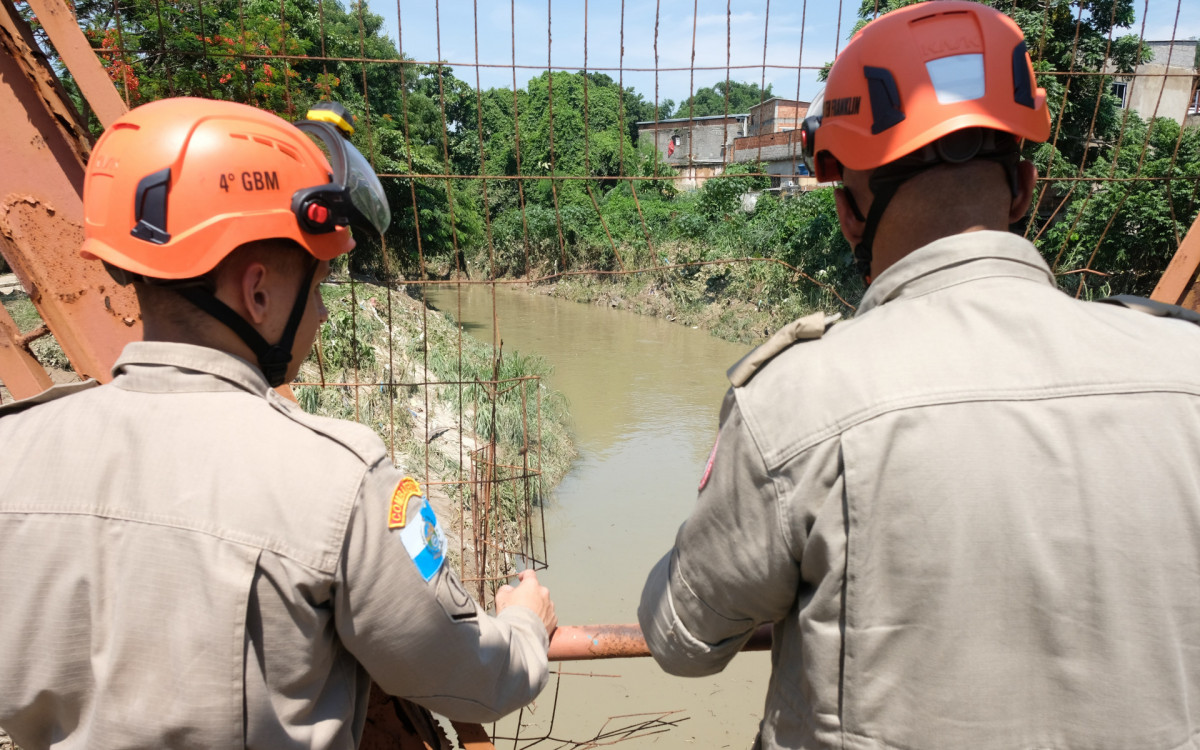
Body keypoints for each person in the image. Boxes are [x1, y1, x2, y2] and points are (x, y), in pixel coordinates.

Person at [639, 2, 1200, 748]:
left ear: (846, 211)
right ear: (1026, 188)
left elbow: (681, 639)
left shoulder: (800, 404)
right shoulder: (1184, 368)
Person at [0, 97, 556, 749]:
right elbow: (470, 677)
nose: (319, 315)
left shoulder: (15, 448)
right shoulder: (339, 480)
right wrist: (524, 626)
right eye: (316, 286)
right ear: (258, 292)